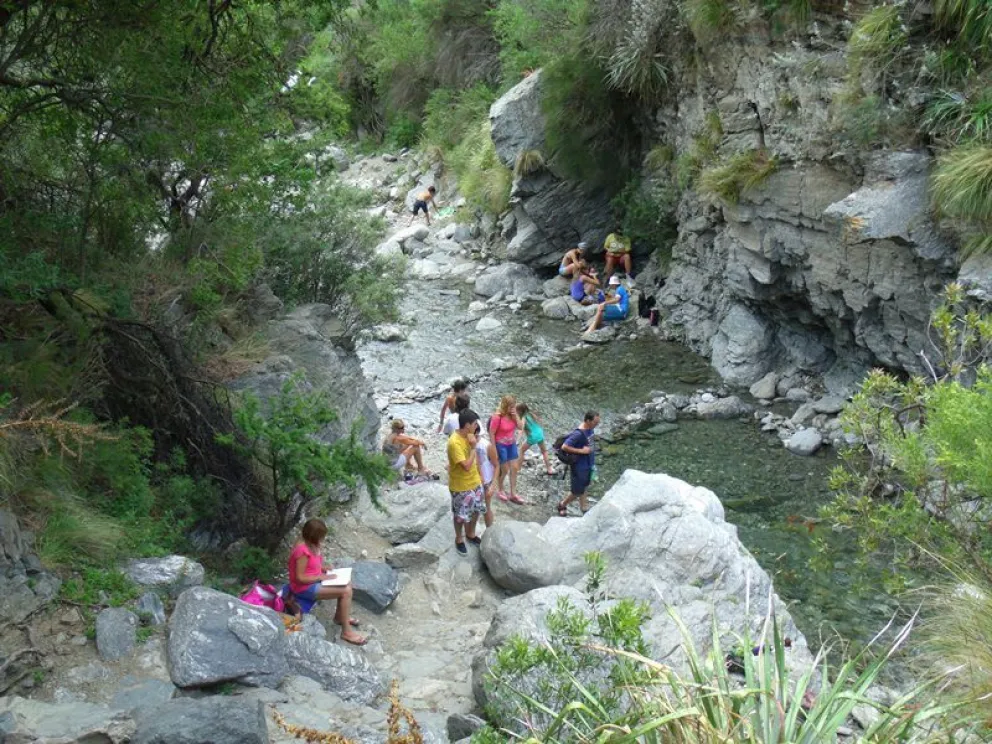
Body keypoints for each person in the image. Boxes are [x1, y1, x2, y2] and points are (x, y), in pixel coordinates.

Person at [286, 518, 367, 645]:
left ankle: (340, 617)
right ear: (313, 537)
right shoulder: (302, 551)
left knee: (347, 584)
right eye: (321, 536)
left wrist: (322, 569)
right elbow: (300, 577)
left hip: (312, 580)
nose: (323, 539)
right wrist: (320, 577)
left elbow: (310, 566)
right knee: (345, 591)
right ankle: (346, 632)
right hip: (303, 587)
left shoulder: (311, 544)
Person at [447, 409, 486, 554]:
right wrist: (473, 447)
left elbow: (474, 463)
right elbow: (466, 466)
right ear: (467, 425)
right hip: (460, 486)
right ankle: (459, 538)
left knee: (476, 509)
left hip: (474, 482)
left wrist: (481, 478)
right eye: (475, 423)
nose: (477, 426)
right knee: (460, 516)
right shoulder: (454, 442)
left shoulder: (470, 435)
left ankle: (471, 533)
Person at [556, 411, 600, 517]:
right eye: (595, 422)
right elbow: (565, 447)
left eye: (598, 422)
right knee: (577, 491)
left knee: (584, 486)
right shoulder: (578, 434)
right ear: (588, 421)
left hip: (588, 464)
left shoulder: (590, 428)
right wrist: (582, 451)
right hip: (579, 467)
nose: (597, 424)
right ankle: (562, 504)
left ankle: (584, 507)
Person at [488, 395, 524, 504]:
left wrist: (515, 416)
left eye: (513, 406)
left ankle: (513, 493)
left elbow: (521, 427)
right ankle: (501, 489)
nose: (512, 409)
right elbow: (492, 433)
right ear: (505, 406)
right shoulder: (497, 417)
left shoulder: (514, 415)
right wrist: (493, 448)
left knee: (514, 468)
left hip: (511, 444)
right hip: (501, 445)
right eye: (510, 407)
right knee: (505, 470)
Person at [516, 402, 555, 476]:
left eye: (516, 410)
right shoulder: (531, 414)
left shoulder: (523, 418)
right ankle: (549, 469)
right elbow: (539, 421)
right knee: (544, 451)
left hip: (532, 436)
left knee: (521, 450)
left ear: (520, 411)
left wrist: (517, 441)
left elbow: (521, 430)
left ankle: (518, 468)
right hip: (540, 433)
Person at [475, 428, 498, 528]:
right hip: (473, 480)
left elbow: (497, 465)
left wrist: (493, 485)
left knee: (486, 508)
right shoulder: (464, 443)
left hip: (486, 482)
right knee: (474, 508)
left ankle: (489, 530)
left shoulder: (487, 445)